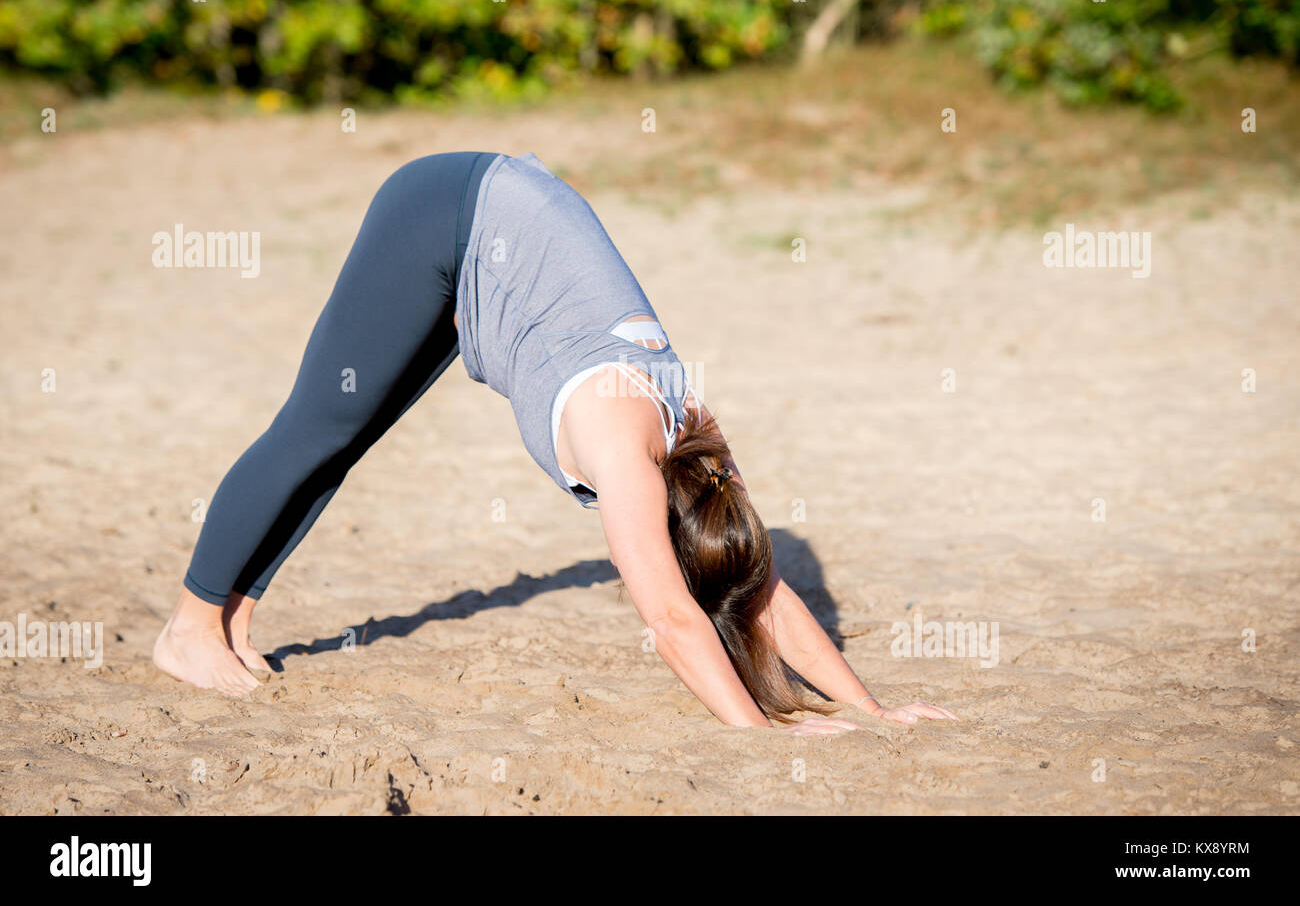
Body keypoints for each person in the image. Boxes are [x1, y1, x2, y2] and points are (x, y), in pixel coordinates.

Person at [154, 150, 959, 735]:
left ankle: (233, 617)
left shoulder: (705, 455)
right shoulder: (624, 448)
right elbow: (675, 617)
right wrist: (759, 729)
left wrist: (872, 709)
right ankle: (189, 625)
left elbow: (759, 590)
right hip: (444, 214)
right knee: (320, 420)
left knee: (354, 434)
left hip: (508, 231)